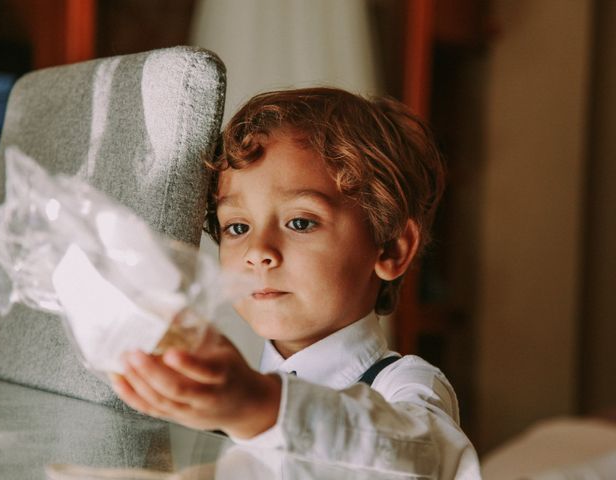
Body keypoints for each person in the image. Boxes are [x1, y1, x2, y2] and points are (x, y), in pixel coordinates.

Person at [111, 87, 481, 478]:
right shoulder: (228, 388)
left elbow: (429, 456)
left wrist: (261, 407)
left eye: (299, 222)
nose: (258, 251)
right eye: (237, 227)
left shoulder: (406, 385)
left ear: (390, 248)